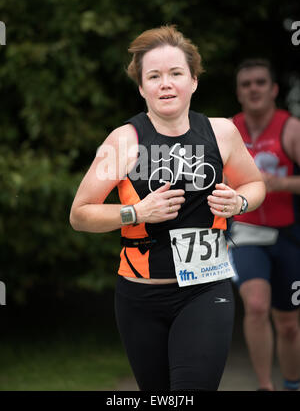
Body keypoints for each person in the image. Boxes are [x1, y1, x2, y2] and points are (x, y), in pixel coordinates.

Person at [69, 26, 265, 391]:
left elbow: (255, 185)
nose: (165, 84)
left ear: (193, 80)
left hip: (207, 290)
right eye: (154, 76)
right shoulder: (124, 140)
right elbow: (80, 214)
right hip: (139, 295)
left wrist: (238, 201)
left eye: (175, 73)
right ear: (142, 87)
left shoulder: (221, 132)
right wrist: (136, 213)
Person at [230, 58, 300, 391]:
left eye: (260, 82)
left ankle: (291, 383)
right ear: (239, 93)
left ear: (273, 90)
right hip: (245, 234)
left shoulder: (291, 128)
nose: (253, 89)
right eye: (246, 84)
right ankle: (263, 386)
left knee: (288, 324)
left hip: (288, 234)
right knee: (256, 305)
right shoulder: (228, 130)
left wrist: (281, 184)